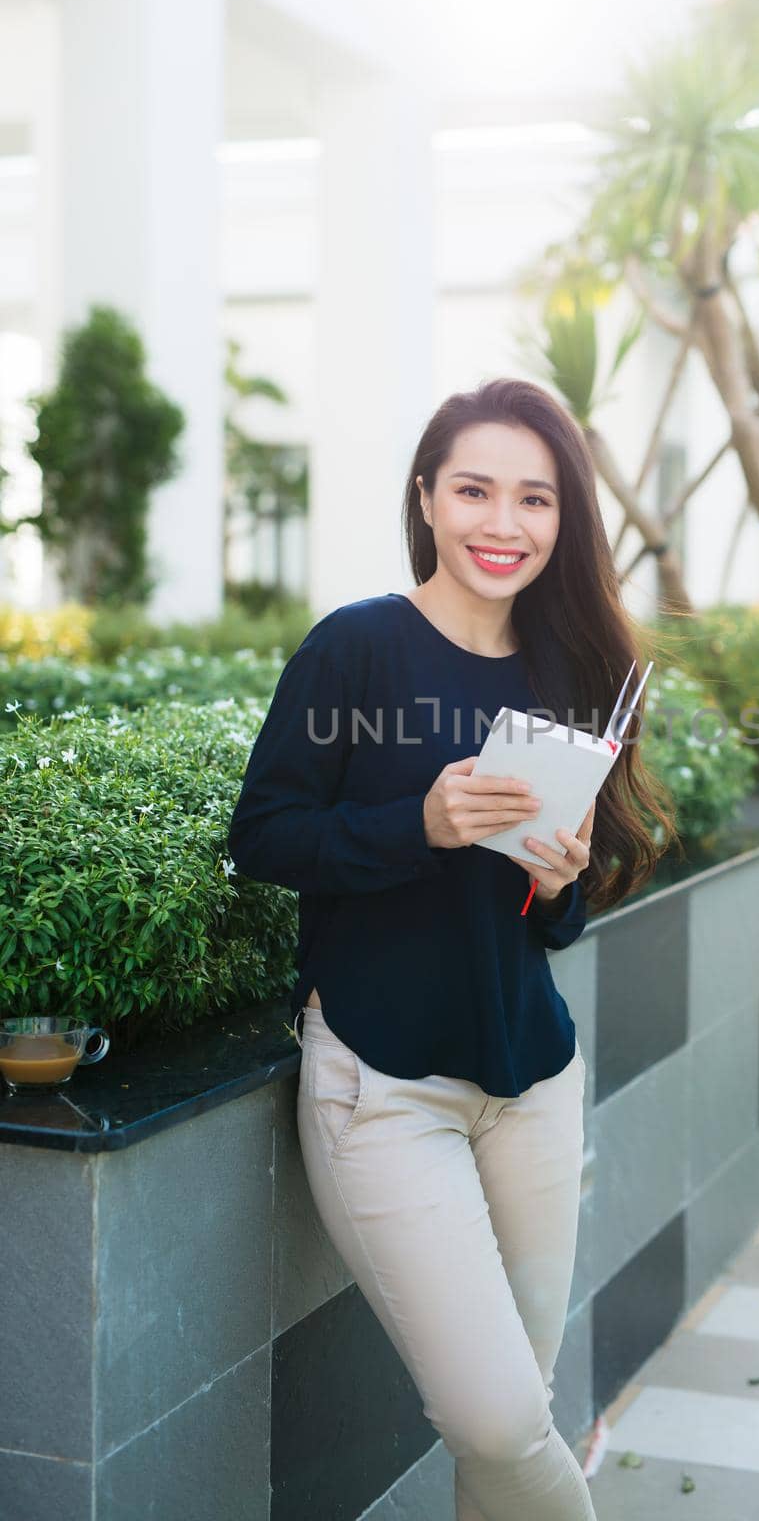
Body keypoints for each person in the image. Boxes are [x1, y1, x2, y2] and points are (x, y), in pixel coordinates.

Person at [228, 377, 678, 1521]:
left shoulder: (571, 671)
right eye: (474, 489)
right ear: (427, 497)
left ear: (563, 520)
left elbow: (560, 914)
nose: (504, 522)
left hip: (531, 1079)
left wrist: (559, 880)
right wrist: (417, 825)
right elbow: (265, 835)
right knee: (493, 1417)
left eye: (535, 499)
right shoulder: (357, 650)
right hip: (383, 1086)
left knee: (510, 1422)